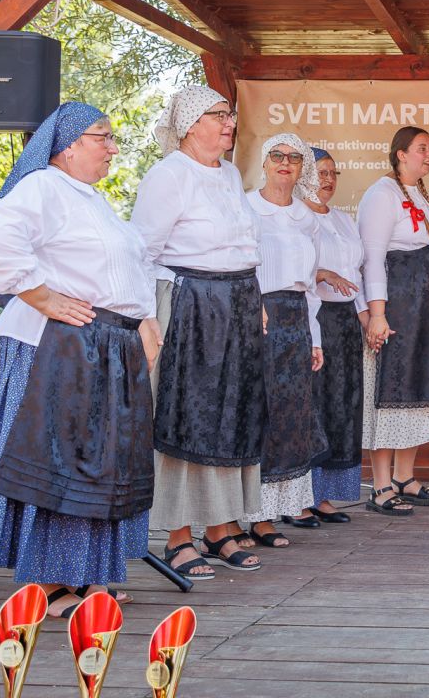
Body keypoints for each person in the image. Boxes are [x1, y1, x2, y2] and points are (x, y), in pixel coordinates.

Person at [0, 102, 159, 617]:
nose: (112, 148)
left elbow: (128, 272)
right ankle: (54, 581)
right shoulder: (43, 187)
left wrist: (147, 325)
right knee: (62, 464)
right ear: (67, 145)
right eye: (102, 137)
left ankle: (88, 576)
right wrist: (41, 296)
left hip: (106, 349)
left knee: (97, 467)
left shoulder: (92, 200)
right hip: (59, 349)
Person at [132, 85, 263, 579]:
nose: (230, 124)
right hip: (188, 303)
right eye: (219, 116)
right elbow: (142, 253)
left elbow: (246, 243)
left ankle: (221, 526)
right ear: (191, 124)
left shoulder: (228, 173)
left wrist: (259, 301)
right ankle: (178, 535)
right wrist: (146, 318)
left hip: (238, 302)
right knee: (186, 415)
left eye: (230, 115)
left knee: (232, 413)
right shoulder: (168, 176)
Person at [358, 126, 429, 515]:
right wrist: (378, 313)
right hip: (398, 305)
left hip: (426, 306)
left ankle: (406, 476)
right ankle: (381, 484)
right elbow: (372, 258)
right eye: (423, 149)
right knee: (392, 391)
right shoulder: (380, 194)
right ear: (401, 154)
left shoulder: (417, 191)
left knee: (419, 388)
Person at [246, 135, 335, 543]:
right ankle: (254, 516)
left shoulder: (307, 218)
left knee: (293, 416)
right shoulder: (245, 208)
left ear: (303, 169)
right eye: (277, 156)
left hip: (296, 319)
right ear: (264, 163)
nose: (286, 163)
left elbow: (312, 288)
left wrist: (314, 338)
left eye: (295, 158)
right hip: (257, 316)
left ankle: (283, 507)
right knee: (259, 412)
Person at [304, 147, 369, 522]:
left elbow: (355, 276)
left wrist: (365, 319)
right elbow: (283, 270)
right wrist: (323, 273)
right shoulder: (295, 219)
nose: (327, 180)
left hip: (344, 320)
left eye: (332, 173)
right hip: (312, 316)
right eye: (319, 173)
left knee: (342, 404)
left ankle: (324, 494)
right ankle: (301, 496)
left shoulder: (344, 220)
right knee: (313, 404)